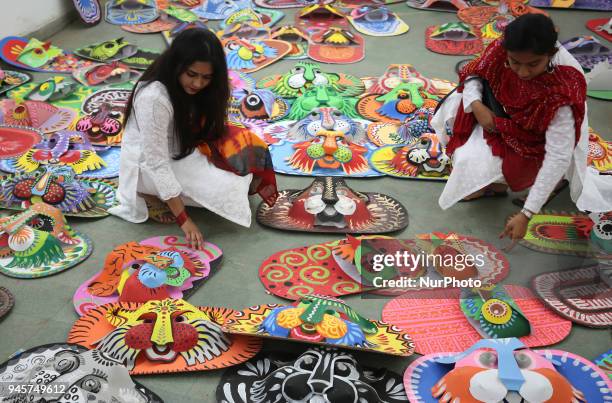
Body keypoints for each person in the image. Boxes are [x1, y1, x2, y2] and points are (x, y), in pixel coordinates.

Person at [431, 14, 610, 248]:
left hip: (536, 138)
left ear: (551, 54)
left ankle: (553, 182)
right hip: (501, 120)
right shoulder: (502, 49)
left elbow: (558, 154)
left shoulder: (563, 90)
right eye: (514, 62)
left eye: (533, 64)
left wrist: (526, 214)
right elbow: (476, 72)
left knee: (497, 161)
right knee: (462, 140)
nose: (523, 72)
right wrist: (477, 106)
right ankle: (496, 185)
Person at [109, 28, 278, 250]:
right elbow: (157, 162)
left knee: (250, 152)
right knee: (228, 191)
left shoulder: (193, 86)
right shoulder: (154, 98)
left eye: (206, 77)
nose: (198, 84)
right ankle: (146, 191)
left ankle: (172, 193)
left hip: (182, 146)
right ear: (176, 65)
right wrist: (185, 221)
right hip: (149, 166)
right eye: (192, 74)